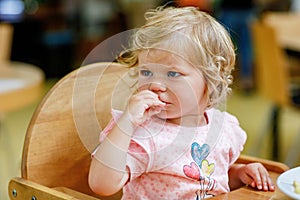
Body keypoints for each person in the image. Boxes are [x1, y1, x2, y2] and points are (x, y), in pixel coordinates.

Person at [88, 6, 274, 199]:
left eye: (172, 74)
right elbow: (102, 184)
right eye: (146, 72)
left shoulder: (223, 127)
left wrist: (239, 174)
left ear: (211, 81)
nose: (156, 85)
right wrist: (126, 122)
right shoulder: (146, 135)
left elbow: (209, 180)